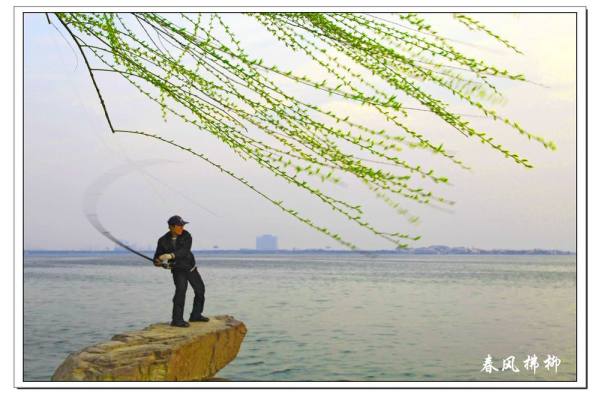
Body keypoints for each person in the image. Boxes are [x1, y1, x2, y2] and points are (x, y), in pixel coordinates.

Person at [153, 215, 210, 327]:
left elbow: (184, 251)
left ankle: (196, 315)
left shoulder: (187, 235)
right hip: (178, 271)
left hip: (190, 268)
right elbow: (157, 259)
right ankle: (177, 320)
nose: (182, 228)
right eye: (179, 226)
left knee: (200, 290)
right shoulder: (162, 240)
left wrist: (170, 256)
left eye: (183, 225)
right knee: (180, 292)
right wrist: (160, 263)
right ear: (171, 227)